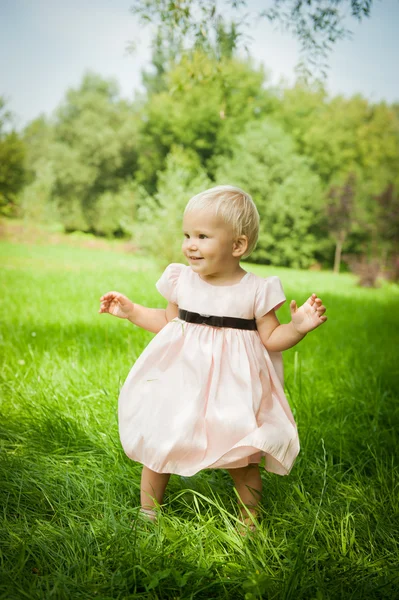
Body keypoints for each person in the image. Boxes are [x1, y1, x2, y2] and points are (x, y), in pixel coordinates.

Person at [99, 185, 327, 530]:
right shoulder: (182, 280)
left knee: (241, 453)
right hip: (182, 380)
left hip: (232, 389)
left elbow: (272, 338)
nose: (190, 244)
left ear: (238, 245)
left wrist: (297, 328)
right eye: (187, 234)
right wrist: (131, 311)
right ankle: (147, 514)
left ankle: (248, 521)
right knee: (162, 440)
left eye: (203, 236)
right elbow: (166, 322)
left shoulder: (255, 290)